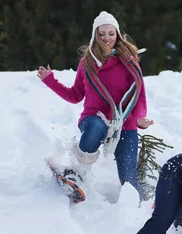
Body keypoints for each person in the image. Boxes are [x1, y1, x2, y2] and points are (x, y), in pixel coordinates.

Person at [37, 11, 154, 200]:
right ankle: (76, 172)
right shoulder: (87, 63)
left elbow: (139, 96)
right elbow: (75, 95)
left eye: (111, 33)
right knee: (96, 126)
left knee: (129, 180)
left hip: (125, 122)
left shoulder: (130, 62)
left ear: (117, 34)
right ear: (95, 36)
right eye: (102, 34)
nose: (107, 38)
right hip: (94, 117)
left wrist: (140, 118)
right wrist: (50, 81)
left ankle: (143, 207)